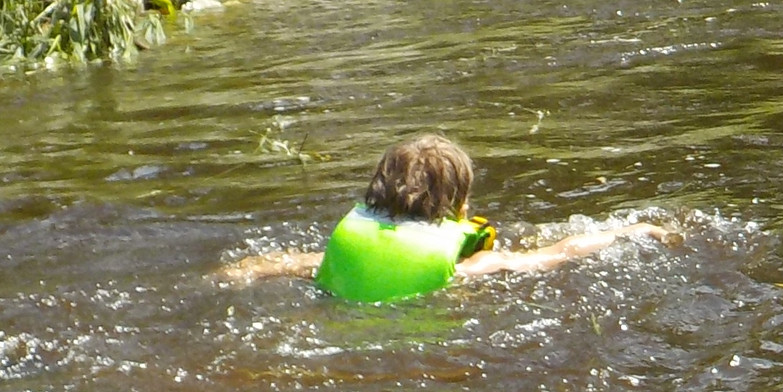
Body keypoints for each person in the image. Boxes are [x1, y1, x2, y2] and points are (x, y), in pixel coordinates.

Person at [217, 133, 675, 301]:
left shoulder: (337, 252)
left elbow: (272, 264)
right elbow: (561, 252)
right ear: (457, 205)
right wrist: (633, 230)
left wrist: (228, 274)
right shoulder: (468, 266)